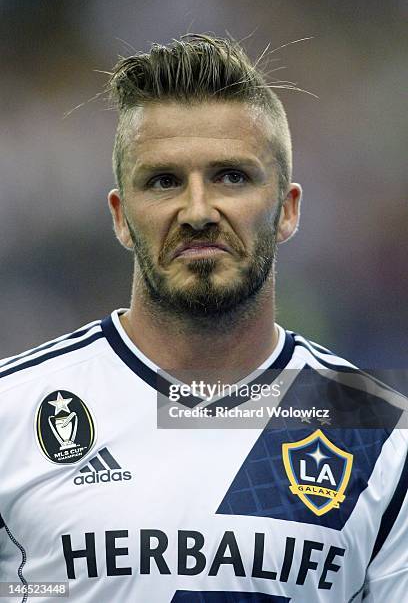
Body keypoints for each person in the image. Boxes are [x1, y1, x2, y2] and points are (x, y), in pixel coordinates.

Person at [0, 35, 406, 603]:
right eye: (163, 181)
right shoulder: (12, 413)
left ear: (287, 209)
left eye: (231, 177)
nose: (196, 211)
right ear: (120, 216)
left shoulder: (378, 433)